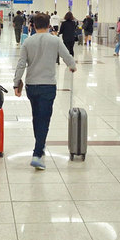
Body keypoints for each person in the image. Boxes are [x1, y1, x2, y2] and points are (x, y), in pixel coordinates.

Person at [13, 13, 76, 170]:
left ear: (33, 25)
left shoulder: (27, 41)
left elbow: (21, 64)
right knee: (44, 119)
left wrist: (16, 83)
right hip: (48, 85)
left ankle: (39, 146)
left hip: (32, 85)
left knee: (37, 117)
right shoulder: (55, 40)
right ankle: (37, 153)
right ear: (49, 25)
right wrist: (72, 66)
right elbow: (67, 56)